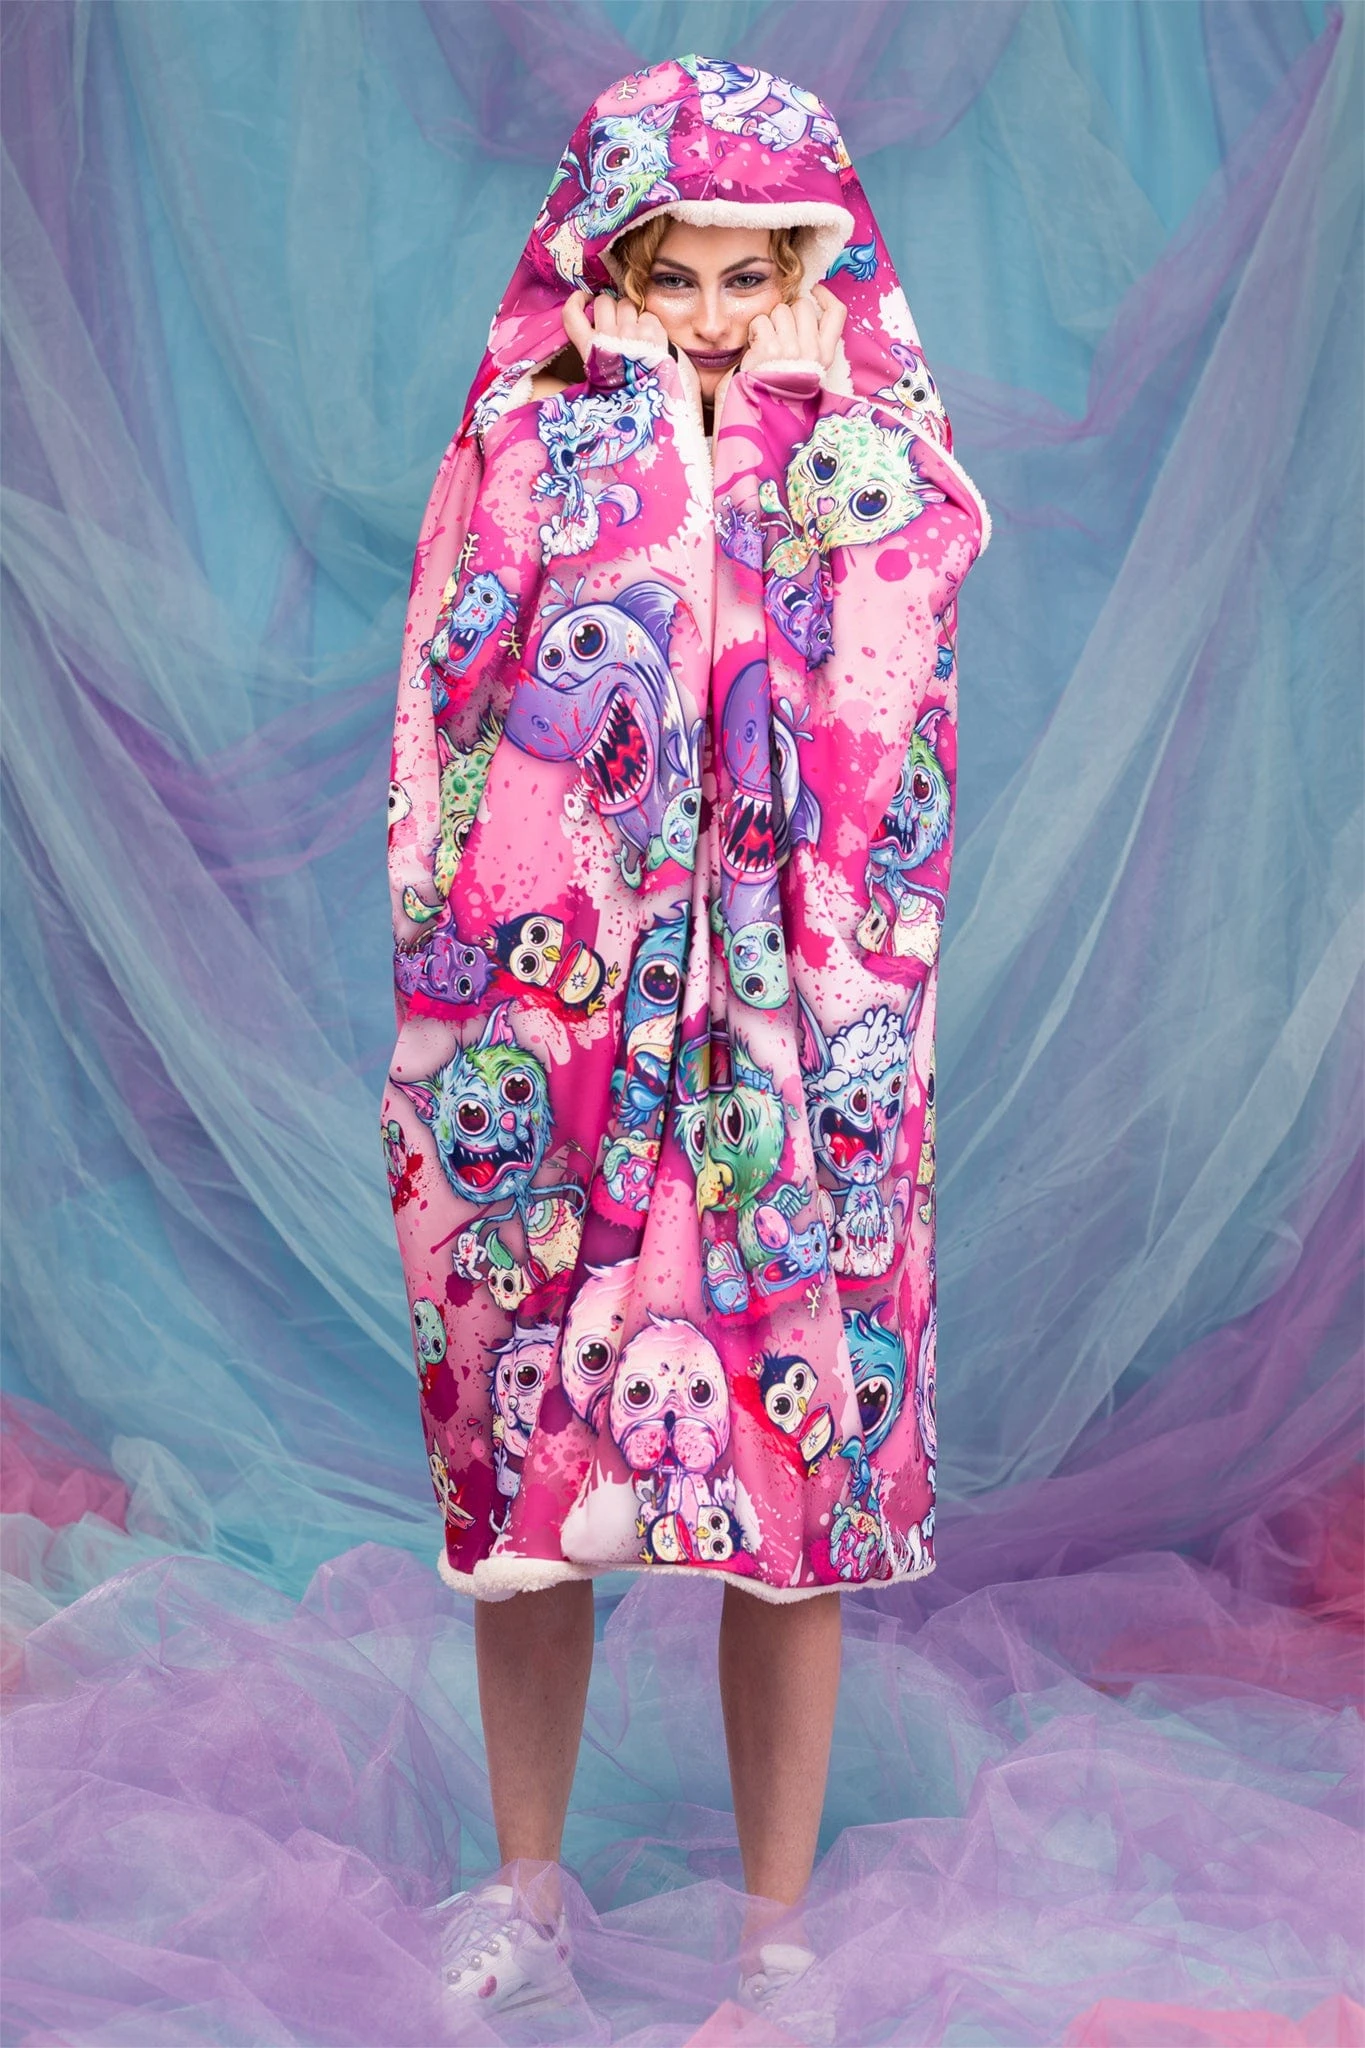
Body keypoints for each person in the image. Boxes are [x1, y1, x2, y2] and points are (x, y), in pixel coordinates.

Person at [381, 53, 989, 2033]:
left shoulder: (869, 447)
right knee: (536, 1473)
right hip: (568, 1021)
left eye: (753, 275)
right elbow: (475, 664)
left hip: (783, 1034)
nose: (717, 315)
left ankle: (774, 1932)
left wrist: (814, 444)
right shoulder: (539, 433)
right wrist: (648, 436)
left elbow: (889, 683)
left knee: (788, 1487)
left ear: (807, 272)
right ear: (614, 263)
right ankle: (525, 1884)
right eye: (678, 273)